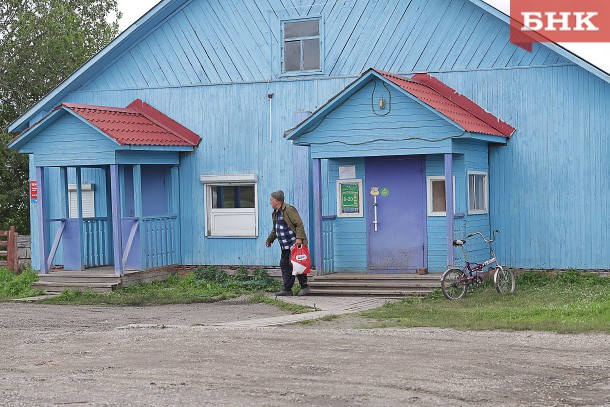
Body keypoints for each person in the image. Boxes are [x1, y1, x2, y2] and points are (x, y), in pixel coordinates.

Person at [265, 190, 311, 296]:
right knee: (285, 265)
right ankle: (287, 289)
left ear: (277, 201)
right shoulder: (275, 213)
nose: (270, 202)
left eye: (271, 200)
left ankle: (305, 286)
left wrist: (299, 238)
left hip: (294, 244)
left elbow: (299, 224)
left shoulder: (289, 209)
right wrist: (269, 239)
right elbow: (276, 229)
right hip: (284, 246)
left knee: (297, 264)